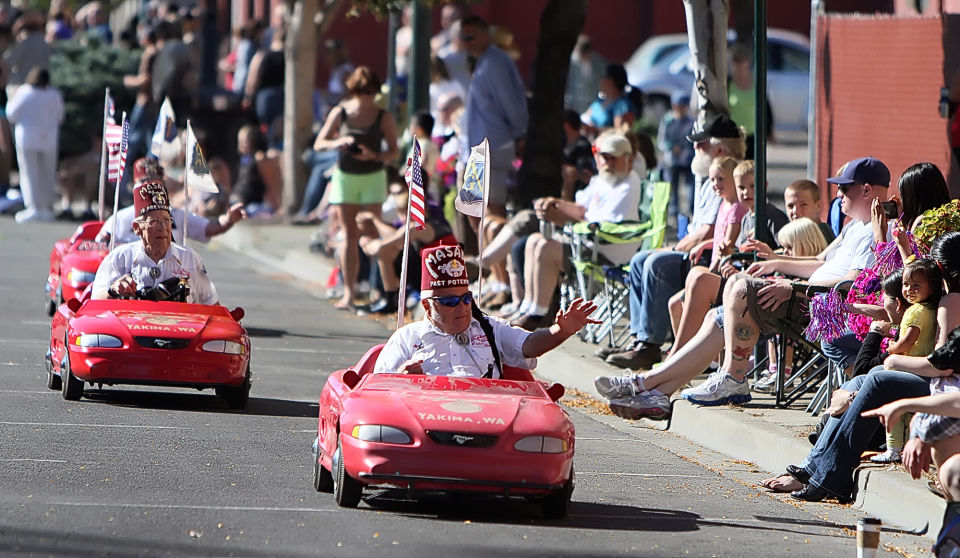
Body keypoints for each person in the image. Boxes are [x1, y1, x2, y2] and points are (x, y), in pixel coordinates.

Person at [594, 156, 890, 419]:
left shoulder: (878, 230)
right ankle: (656, 390)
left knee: (740, 286)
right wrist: (775, 263)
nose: (838, 194)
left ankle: (731, 376)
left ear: (865, 190)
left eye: (845, 188)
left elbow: (852, 285)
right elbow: (819, 262)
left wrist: (795, 287)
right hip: (804, 294)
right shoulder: (854, 225)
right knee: (716, 317)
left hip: (823, 306)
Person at [759, 232, 960, 503]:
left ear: (942, 267)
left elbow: (945, 365)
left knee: (878, 378)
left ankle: (828, 477)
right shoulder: (943, 294)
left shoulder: (951, 300)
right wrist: (900, 246)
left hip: (946, 387)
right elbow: (913, 270)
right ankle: (814, 468)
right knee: (862, 380)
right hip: (941, 382)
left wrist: (894, 360)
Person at [599, 114, 744, 370]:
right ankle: (639, 339)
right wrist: (673, 246)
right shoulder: (709, 176)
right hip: (697, 251)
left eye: (701, 144)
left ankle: (650, 345)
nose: (695, 148)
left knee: (657, 263)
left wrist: (675, 248)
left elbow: (708, 232)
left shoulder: (728, 177)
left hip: (708, 258)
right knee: (640, 259)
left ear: (720, 148)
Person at [374, 244, 598, 377]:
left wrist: (561, 331)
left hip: (487, 424)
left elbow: (529, 345)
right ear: (427, 306)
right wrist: (401, 378)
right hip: (425, 426)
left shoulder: (490, 329)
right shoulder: (406, 338)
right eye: (450, 302)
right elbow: (376, 392)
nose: (462, 306)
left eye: (466, 298)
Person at [507, 132, 642, 331]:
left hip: (607, 251)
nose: (608, 162)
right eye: (604, 156)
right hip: (589, 243)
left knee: (545, 246)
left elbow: (597, 223)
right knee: (534, 240)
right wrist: (554, 204)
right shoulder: (602, 180)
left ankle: (539, 314)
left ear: (628, 159)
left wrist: (563, 214)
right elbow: (581, 209)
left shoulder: (629, 183)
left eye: (614, 157)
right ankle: (528, 307)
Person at [313, 66, 399, 310]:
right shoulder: (341, 112)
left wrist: (374, 155)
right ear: (354, 91)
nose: (367, 97)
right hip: (346, 177)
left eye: (372, 91)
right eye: (362, 91)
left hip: (372, 177)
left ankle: (376, 289)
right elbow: (319, 143)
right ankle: (349, 292)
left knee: (371, 232)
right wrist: (340, 141)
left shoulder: (383, 117)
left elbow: (393, 151)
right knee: (349, 235)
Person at [666, 157, 749, 356]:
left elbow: (728, 246)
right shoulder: (723, 205)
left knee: (695, 282)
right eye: (712, 180)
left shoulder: (737, 208)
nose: (715, 185)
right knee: (674, 304)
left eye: (720, 179)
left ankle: (681, 355)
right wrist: (705, 244)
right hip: (716, 267)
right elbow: (719, 239)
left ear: (732, 180)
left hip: (725, 273)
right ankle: (684, 352)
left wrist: (713, 267)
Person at [91, 178, 218, 305]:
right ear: (136, 228)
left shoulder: (189, 258)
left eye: (166, 220)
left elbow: (211, 304)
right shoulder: (120, 258)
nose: (162, 227)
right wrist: (113, 289)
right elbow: (94, 303)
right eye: (154, 221)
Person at [867, 257, 942, 464]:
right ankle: (908, 447)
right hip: (920, 369)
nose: (909, 289)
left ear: (932, 287)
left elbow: (908, 340)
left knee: (895, 406)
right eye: (906, 285)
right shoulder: (929, 309)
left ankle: (893, 448)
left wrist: (892, 348)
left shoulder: (916, 311)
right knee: (910, 412)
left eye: (916, 285)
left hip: (910, 366)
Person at [458, 14, 527, 221]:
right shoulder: (483, 62)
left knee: (492, 208)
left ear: (485, 35)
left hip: (494, 145)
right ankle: (485, 252)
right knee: (472, 209)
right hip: (479, 147)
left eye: (471, 37)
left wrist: (520, 134)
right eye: (464, 38)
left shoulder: (494, 63)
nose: (466, 43)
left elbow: (511, 104)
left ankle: (494, 253)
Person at [97, 157, 246, 245]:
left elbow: (208, 227)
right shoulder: (120, 219)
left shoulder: (177, 215)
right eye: (145, 182)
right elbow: (99, 249)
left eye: (155, 183)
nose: (150, 188)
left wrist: (228, 219)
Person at [6, 67, 63, 223]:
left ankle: (33, 207)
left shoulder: (24, 92)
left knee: (29, 172)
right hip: (49, 138)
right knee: (47, 173)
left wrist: (11, 96)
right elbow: (60, 115)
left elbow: (11, 114)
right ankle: (46, 208)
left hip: (27, 138)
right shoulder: (53, 94)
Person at [657, 91, 695, 219]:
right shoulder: (668, 120)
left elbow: (693, 138)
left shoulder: (691, 121)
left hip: (687, 159)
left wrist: (684, 147)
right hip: (671, 160)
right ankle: (674, 213)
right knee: (672, 187)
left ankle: (691, 210)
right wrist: (671, 147)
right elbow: (662, 139)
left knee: (690, 187)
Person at [581, 63, 637, 133]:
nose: (600, 81)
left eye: (603, 77)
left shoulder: (623, 105)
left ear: (611, 81)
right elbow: (587, 117)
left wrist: (595, 130)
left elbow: (621, 131)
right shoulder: (599, 101)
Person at [565, 34, 606, 114]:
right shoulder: (570, 63)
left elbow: (602, 82)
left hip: (591, 105)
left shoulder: (597, 62)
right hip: (572, 105)